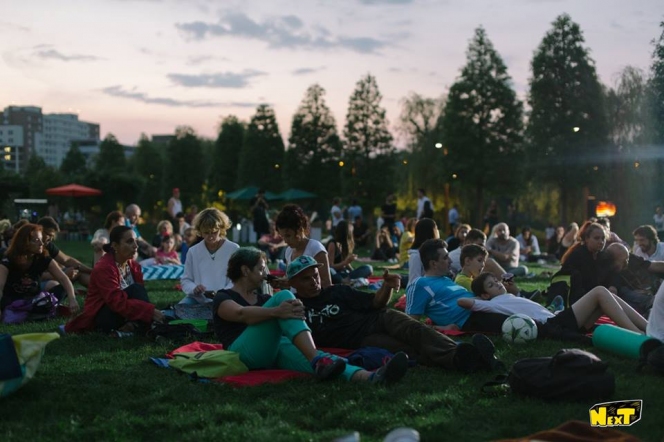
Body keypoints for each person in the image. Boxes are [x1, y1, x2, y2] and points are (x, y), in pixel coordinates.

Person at [214, 248, 407, 384]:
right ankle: (316, 358)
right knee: (284, 298)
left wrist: (282, 312)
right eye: (261, 268)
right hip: (242, 353)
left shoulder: (264, 297)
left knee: (327, 362)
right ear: (245, 271)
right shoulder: (224, 297)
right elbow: (240, 314)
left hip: (275, 349)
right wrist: (276, 311)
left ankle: (370, 378)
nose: (266, 273)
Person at [286, 255, 501, 373]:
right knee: (407, 351)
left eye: (315, 276)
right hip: (361, 339)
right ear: (293, 283)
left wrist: (387, 287)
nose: (314, 281)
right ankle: (468, 360)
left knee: (416, 330)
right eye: (306, 279)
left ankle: (461, 355)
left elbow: (375, 303)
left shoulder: (336, 291)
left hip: (379, 318)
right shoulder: (294, 308)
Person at [465, 272, 648, 334]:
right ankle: (639, 334)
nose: (497, 283)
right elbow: (463, 302)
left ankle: (649, 327)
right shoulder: (491, 304)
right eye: (491, 285)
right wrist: (478, 299)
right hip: (555, 324)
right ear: (484, 295)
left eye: (496, 280)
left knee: (606, 297)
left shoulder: (506, 298)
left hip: (558, 318)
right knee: (600, 291)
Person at [65, 225, 164, 334]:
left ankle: (136, 325)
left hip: (123, 311)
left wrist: (147, 311)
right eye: (130, 242)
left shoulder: (135, 266)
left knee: (137, 289)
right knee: (136, 289)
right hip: (101, 317)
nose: (136, 246)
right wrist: (149, 311)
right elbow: (116, 302)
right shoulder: (104, 268)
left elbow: (139, 297)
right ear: (115, 246)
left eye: (136, 241)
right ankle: (142, 325)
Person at [405, 239, 508, 333]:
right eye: (445, 258)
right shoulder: (421, 284)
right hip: (470, 317)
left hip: (483, 305)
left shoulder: (445, 279)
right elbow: (410, 323)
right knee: (513, 322)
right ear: (433, 263)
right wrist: (438, 328)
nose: (450, 260)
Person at [0, 224, 79, 323]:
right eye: (36, 240)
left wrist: (72, 299)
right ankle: (39, 313)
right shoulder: (8, 259)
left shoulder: (43, 258)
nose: (41, 243)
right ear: (25, 242)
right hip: (12, 301)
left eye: (41, 239)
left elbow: (63, 278)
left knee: (62, 288)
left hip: (35, 300)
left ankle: (37, 312)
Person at [180, 208, 239, 304]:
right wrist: (194, 288)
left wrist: (221, 293)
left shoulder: (233, 249)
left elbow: (237, 279)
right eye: (206, 232)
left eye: (214, 232)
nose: (210, 236)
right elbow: (186, 279)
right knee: (179, 310)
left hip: (227, 298)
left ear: (221, 229)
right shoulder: (193, 251)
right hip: (198, 299)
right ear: (200, 231)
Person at [275, 204, 332, 289]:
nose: (286, 241)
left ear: (300, 230)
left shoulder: (315, 248)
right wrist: (280, 282)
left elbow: (326, 284)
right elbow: (290, 281)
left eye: (288, 235)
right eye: (283, 237)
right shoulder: (289, 251)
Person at [37, 217, 93, 287]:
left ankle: (99, 290)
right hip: (36, 283)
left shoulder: (47, 245)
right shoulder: (31, 246)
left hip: (52, 277)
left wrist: (91, 271)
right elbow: (38, 275)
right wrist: (64, 275)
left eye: (52, 236)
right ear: (39, 230)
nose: (50, 239)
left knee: (78, 272)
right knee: (53, 284)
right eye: (48, 235)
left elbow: (67, 260)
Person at [327, 220, 373, 284]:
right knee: (330, 270)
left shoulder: (343, 244)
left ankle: (350, 280)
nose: (352, 234)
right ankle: (345, 281)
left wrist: (354, 271)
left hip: (344, 273)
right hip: (334, 274)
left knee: (368, 268)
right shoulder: (332, 244)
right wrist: (346, 262)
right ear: (345, 232)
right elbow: (330, 266)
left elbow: (346, 263)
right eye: (351, 231)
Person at [407, 218, 439, 288]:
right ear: (431, 232)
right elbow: (414, 281)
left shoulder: (438, 251)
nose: (438, 231)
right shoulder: (416, 256)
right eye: (436, 229)